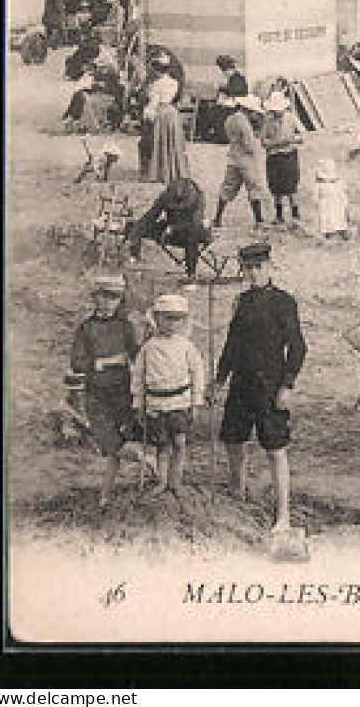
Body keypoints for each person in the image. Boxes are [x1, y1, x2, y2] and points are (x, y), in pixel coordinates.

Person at [216, 243, 308, 534]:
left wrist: (287, 386)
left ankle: (283, 516)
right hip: (241, 383)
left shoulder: (284, 302)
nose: (253, 273)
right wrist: (219, 380)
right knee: (233, 439)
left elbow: (298, 348)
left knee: (275, 448)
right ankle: (237, 491)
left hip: (269, 384)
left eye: (258, 268)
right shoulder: (240, 301)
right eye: (248, 268)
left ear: (269, 267)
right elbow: (231, 345)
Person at [70, 273, 142, 507]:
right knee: (111, 445)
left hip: (122, 393)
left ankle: (106, 495)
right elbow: (76, 362)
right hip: (97, 395)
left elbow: (138, 356)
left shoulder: (125, 327)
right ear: (95, 298)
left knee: (122, 444)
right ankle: (144, 466)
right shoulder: (86, 328)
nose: (108, 302)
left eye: (114, 298)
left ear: (120, 300)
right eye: (104, 296)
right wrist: (103, 363)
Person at [131, 294, 207, 496]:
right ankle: (162, 482)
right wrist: (138, 404)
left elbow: (197, 374)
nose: (172, 324)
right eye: (167, 318)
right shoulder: (148, 348)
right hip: (156, 403)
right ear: (156, 319)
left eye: (177, 318)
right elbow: (138, 377)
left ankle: (176, 482)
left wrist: (195, 403)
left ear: (184, 321)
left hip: (179, 403)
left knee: (180, 443)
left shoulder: (186, 346)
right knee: (162, 445)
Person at [127, 177, 211, 279]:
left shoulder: (198, 197)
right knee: (133, 225)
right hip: (170, 230)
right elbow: (152, 215)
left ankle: (191, 274)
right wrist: (137, 229)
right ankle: (134, 260)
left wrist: (174, 228)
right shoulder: (166, 196)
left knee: (192, 235)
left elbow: (195, 222)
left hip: (194, 232)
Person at [215, 95, 271, 228]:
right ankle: (259, 220)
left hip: (233, 157)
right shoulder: (244, 122)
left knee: (227, 188)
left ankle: (217, 218)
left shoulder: (230, 119)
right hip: (246, 160)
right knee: (254, 188)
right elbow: (248, 145)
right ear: (248, 109)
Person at [138, 61, 188, 184]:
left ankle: (161, 172)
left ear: (157, 71)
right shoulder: (174, 83)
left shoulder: (156, 84)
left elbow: (154, 103)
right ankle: (175, 171)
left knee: (161, 142)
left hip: (161, 112)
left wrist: (147, 114)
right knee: (173, 142)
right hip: (172, 112)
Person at [260, 92, 304, 224]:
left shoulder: (291, 118)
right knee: (276, 187)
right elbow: (263, 141)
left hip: (289, 154)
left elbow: (302, 136)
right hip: (274, 156)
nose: (277, 113)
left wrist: (291, 140)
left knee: (291, 186)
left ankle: (295, 214)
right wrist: (276, 143)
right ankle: (279, 215)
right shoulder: (267, 120)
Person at [311, 158, 350, 240]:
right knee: (330, 218)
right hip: (329, 204)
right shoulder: (320, 184)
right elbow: (315, 196)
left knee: (336, 217)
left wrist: (345, 203)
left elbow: (343, 193)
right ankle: (332, 233)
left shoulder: (336, 183)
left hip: (334, 203)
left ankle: (340, 232)